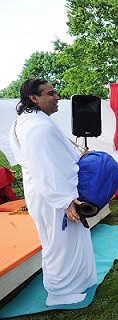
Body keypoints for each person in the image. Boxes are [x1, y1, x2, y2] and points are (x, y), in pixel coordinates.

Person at [9, 78, 97, 306]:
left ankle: (77, 283)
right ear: (34, 98)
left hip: (53, 193)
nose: (57, 97)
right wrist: (65, 201)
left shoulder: (32, 121)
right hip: (54, 197)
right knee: (59, 244)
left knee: (68, 242)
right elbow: (45, 167)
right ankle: (59, 293)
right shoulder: (36, 127)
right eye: (51, 93)